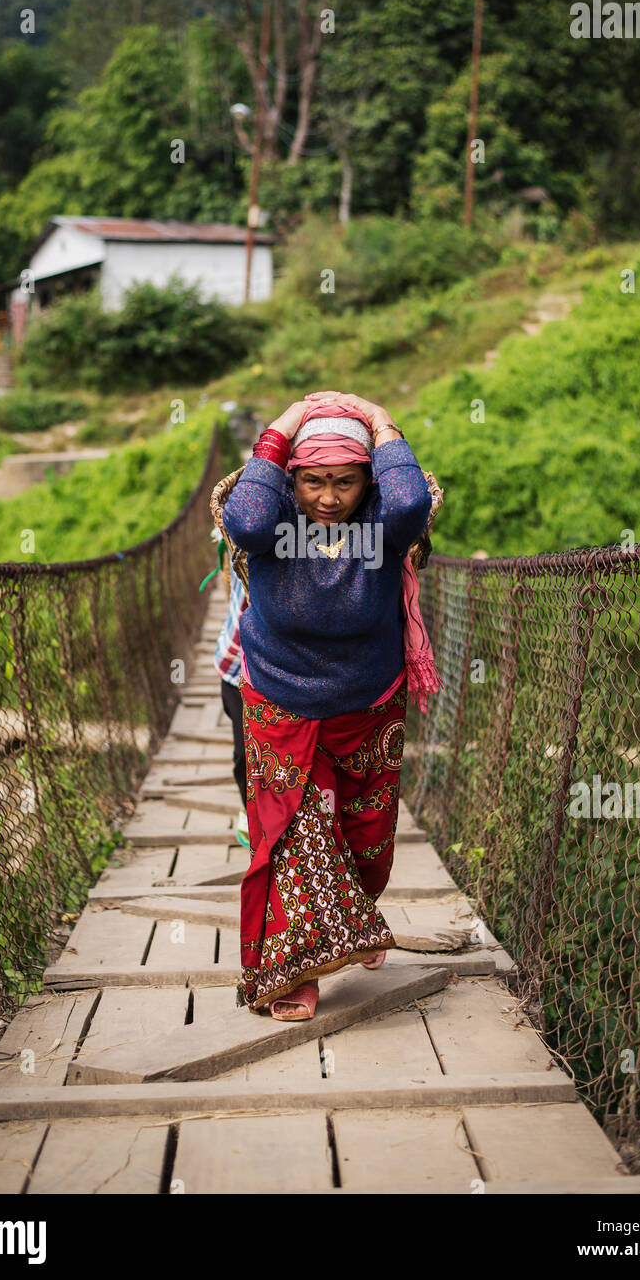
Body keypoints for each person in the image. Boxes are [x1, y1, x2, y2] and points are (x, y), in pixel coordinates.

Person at [221, 391, 443, 1021]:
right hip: (281, 702)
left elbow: (410, 501)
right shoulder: (270, 532)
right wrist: (286, 424)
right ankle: (293, 974)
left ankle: (355, 914)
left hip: (367, 706)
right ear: (289, 479)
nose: (327, 497)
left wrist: (379, 421)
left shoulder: (382, 527)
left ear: (367, 480)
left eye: (344, 482)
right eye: (312, 481)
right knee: (296, 833)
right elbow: (245, 519)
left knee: (365, 838)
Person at [212, 559, 250, 846]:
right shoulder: (244, 527)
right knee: (244, 756)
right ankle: (250, 810)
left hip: (283, 666)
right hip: (236, 666)